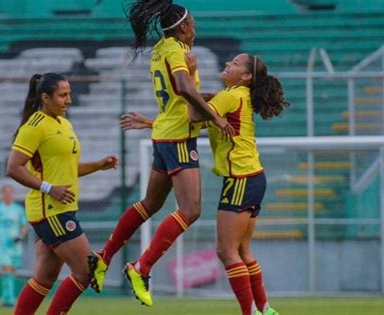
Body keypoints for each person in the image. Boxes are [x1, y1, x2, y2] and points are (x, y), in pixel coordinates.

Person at [88, 0, 234, 307]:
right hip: (178, 138)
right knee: (190, 209)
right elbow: (183, 89)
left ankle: (104, 257)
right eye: (193, 25)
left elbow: (183, 97)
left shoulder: (161, 49)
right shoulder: (175, 50)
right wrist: (215, 114)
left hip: (166, 134)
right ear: (183, 28)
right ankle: (141, 268)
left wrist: (221, 100)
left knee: (150, 203)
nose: (195, 30)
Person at [118, 53, 289, 315]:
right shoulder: (236, 97)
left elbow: (191, 117)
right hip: (254, 177)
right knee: (242, 250)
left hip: (240, 179)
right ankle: (264, 308)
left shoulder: (230, 96)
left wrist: (191, 76)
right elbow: (205, 122)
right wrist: (151, 123)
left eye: (234, 63)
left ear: (246, 76)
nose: (227, 63)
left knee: (226, 251)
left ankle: (250, 313)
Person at [6, 72, 118, 315]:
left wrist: (99, 165)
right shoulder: (34, 125)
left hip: (62, 208)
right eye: (62, 95)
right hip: (50, 210)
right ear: (45, 97)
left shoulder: (64, 123)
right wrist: (49, 188)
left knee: (45, 277)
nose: (68, 100)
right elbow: (13, 168)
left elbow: (67, 169)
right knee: (86, 271)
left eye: (69, 94)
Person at [0, 185, 27, 308]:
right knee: (6, 268)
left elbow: (24, 226)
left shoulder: (18, 209)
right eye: (6, 193)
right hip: (2, 243)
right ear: (2, 195)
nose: (8, 195)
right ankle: (9, 300)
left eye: (10, 193)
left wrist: (20, 236)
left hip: (15, 245)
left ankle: (6, 298)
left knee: (12, 270)